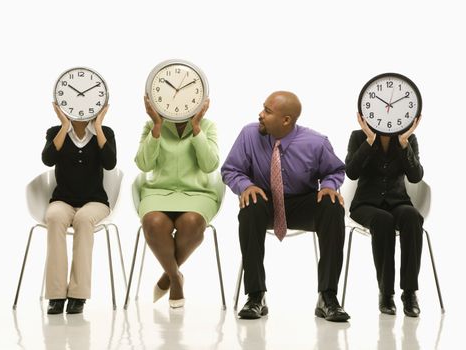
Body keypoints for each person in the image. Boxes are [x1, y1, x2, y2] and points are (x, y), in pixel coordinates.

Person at [221, 91, 350, 322]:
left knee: (332, 207)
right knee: (251, 206)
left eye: (268, 112)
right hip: (265, 202)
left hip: (302, 201)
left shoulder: (316, 142)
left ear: (286, 120)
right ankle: (255, 296)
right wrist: (245, 185)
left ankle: (327, 296)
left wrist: (329, 186)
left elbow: (335, 170)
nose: (260, 115)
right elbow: (231, 170)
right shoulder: (249, 134)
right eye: (263, 108)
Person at [135, 96, 219, 308]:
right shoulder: (152, 125)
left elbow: (210, 166)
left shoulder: (208, 126)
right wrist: (156, 127)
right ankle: (175, 278)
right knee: (153, 223)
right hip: (159, 192)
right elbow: (144, 165)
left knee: (192, 223)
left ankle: (167, 276)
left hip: (197, 193)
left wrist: (196, 127)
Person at [345, 113, 423, 317]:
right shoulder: (358, 137)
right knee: (383, 220)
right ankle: (386, 293)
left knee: (412, 217)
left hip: (398, 201)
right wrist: (369, 141)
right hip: (365, 205)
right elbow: (351, 173)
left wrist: (404, 144)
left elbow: (415, 177)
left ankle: (409, 293)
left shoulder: (408, 139)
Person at [42, 103, 116, 315]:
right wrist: (65, 125)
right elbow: (48, 159)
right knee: (54, 217)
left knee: (84, 220)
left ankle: (78, 295)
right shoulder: (56, 132)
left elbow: (110, 163)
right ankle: (56, 296)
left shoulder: (106, 133)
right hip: (63, 200)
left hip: (95, 202)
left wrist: (98, 126)